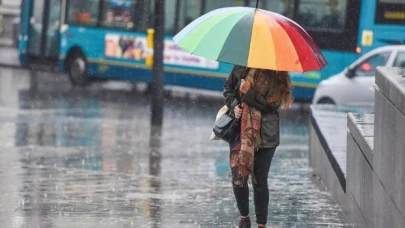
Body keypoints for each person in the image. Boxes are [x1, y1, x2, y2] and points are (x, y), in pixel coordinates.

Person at [223, 65, 293, 228]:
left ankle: (261, 224)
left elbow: (272, 106)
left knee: (259, 180)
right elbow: (228, 89)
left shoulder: (277, 72)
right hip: (240, 131)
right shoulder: (241, 67)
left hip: (266, 135)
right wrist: (235, 106)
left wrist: (248, 93)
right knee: (238, 178)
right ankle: (244, 218)